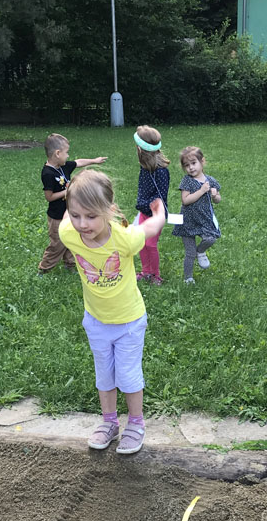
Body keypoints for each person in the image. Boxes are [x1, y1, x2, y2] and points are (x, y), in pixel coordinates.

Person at [59, 170, 165, 453]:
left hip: (129, 322)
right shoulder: (68, 233)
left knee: (128, 376)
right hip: (96, 321)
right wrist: (72, 193)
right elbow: (67, 217)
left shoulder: (124, 239)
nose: (83, 224)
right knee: (104, 376)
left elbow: (150, 229)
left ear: (109, 210)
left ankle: (136, 423)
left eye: (91, 216)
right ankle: (109, 422)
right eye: (76, 215)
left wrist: (160, 214)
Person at [38, 133, 108, 274]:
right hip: (57, 217)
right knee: (57, 244)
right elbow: (49, 197)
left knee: (72, 239)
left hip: (70, 214)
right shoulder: (48, 173)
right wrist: (68, 191)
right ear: (58, 153)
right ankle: (44, 269)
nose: (68, 156)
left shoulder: (62, 166)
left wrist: (94, 161)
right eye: (66, 152)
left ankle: (70, 265)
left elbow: (78, 162)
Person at [172, 146, 221, 284]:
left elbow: (218, 200)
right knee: (190, 253)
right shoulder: (187, 181)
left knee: (211, 238)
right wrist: (201, 191)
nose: (191, 168)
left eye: (193, 163)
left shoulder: (210, 180)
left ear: (202, 161)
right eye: (186, 165)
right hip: (188, 221)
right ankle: (188, 278)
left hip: (204, 219)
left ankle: (201, 251)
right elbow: (185, 200)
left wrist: (215, 195)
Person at [134, 125, 170, 285]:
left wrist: (148, 205)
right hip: (144, 211)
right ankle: (145, 271)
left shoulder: (160, 171)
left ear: (141, 149)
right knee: (142, 242)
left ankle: (155, 274)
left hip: (156, 214)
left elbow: (160, 196)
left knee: (150, 244)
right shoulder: (145, 167)